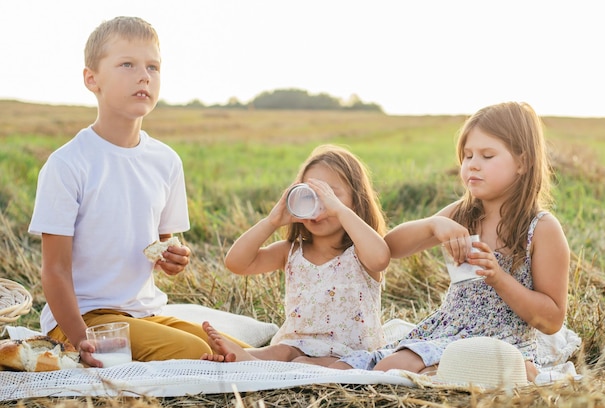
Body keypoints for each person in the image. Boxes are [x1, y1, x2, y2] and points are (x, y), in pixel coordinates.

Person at [28, 16, 246, 368]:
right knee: (197, 354)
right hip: (84, 318)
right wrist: (81, 338)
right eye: (127, 64)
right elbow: (54, 270)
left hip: (145, 313)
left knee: (234, 350)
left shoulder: (166, 161)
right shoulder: (67, 164)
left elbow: (164, 245)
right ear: (91, 79)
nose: (143, 75)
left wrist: (176, 259)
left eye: (153, 66)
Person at [328, 102, 570, 382]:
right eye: (467, 156)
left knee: (409, 373)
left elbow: (552, 320)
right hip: (447, 329)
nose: (473, 165)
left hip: (502, 340)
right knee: (365, 369)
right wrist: (433, 224)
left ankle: (510, 370)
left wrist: (499, 278)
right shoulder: (463, 213)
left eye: (487, 155)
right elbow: (390, 249)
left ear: (522, 162)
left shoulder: (541, 229)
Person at [202, 144, 390, 366]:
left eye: (329, 195)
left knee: (305, 362)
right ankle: (247, 358)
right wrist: (271, 221)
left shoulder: (360, 253)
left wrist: (338, 209)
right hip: (297, 343)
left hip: (348, 353)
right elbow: (236, 263)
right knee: (283, 352)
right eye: (310, 196)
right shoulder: (290, 252)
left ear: (356, 203)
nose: (320, 205)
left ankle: (257, 363)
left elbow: (381, 258)